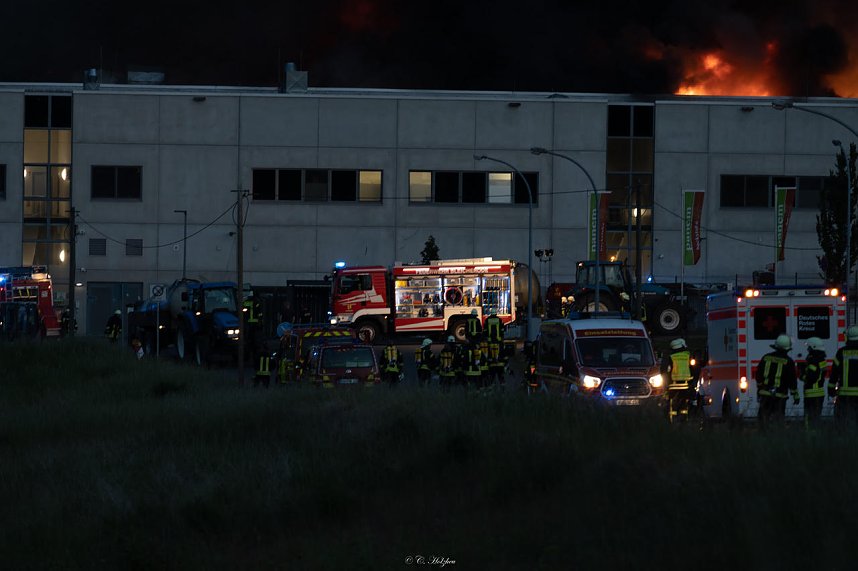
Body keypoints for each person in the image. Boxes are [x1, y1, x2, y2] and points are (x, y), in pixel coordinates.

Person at [756, 333, 798, 427]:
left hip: (765, 394)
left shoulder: (766, 357)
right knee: (778, 422)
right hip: (780, 396)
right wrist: (795, 395)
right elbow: (792, 380)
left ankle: (762, 437)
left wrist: (759, 388)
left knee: (763, 421)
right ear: (787, 349)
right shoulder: (789, 362)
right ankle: (776, 437)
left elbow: (758, 375)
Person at [661, 338, 697, 422]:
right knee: (684, 404)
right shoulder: (688, 356)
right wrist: (692, 382)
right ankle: (684, 421)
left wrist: (666, 384)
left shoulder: (672, 357)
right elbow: (692, 370)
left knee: (672, 405)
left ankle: (672, 421)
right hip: (685, 385)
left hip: (673, 386)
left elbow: (667, 370)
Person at [829, 325, 858, 426]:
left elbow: (834, 373)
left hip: (845, 396)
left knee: (842, 423)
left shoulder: (841, 352)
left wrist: (831, 390)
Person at [800, 336, 827, 428]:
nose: (808, 349)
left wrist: (801, 375)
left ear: (814, 348)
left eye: (809, 347)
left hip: (812, 394)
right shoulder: (822, 360)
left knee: (809, 420)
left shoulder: (813, 361)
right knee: (816, 418)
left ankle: (809, 438)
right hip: (819, 393)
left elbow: (811, 378)